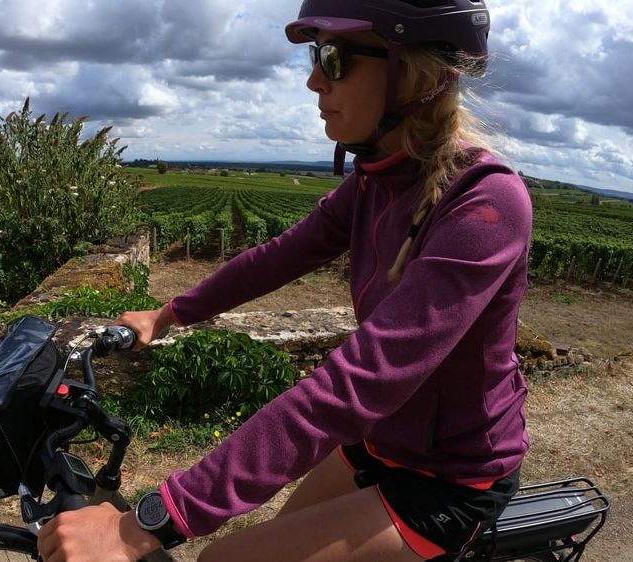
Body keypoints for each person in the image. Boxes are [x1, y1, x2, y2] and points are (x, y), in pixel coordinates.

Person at [37, 0, 531, 560]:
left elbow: (361, 380)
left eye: (334, 57)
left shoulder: (484, 203)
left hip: (451, 477)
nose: (313, 79)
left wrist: (149, 521)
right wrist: (169, 313)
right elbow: (278, 257)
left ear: (415, 73)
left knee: (223, 558)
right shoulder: (379, 182)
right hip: (381, 441)